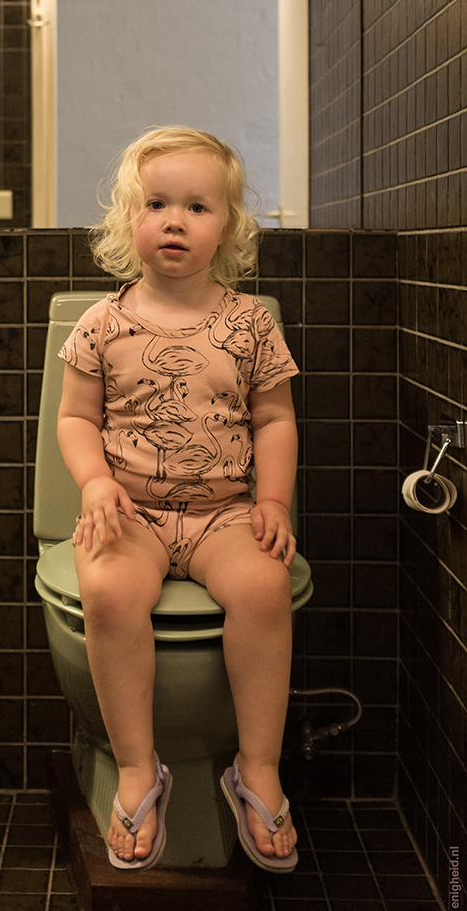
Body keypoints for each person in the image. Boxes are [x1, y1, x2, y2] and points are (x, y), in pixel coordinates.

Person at [56, 126, 300, 873]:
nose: (174, 220)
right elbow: (74, 417)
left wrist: (277, 503)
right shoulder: (103, 322)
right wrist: (97, 484)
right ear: (129, 219)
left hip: (225, 512)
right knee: (105, 592)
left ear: (227, 226)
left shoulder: (250, 322)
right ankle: (138, 766)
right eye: (157, 203)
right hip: (133, 512)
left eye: (197, 206)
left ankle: (257, 765)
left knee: (265, 588)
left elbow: (275, 418)